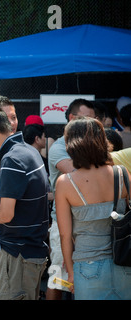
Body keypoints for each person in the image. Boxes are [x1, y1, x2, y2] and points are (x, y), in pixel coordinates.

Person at [0, 103, 49, 300]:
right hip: (30, 253)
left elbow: (6, 214)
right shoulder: (28, 151)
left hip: (17, 257)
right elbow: (18, 202)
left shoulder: (12, 159)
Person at [55, 117, 131, 300]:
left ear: (72, 145)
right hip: (125, 261)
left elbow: (65, 236)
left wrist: (71, 273)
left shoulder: (65, 183)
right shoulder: (121, 173)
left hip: (87, 266)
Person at [46, 98, 96, 300]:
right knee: (57, 280)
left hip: (88, 223)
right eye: (87, 119)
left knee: (84, 280)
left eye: (94, 120)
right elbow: (80, 176)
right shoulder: (59, 147)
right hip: (62, 223)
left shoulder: (90, 147)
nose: (93, 125)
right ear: (72, 119)